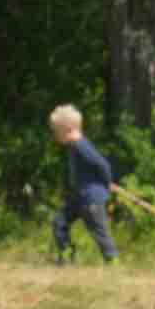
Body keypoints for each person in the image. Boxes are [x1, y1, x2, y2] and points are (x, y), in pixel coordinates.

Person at [46, 104, 127, 262]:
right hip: (79, 197)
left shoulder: (81, 146)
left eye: (57, 132)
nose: (55, 136)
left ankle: (113, 260)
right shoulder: (74, 147)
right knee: (59, 222)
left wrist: (106, 182)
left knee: (99, 231)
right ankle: (67, 255)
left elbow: (102, 164)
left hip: (92, 198)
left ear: (67, 129)